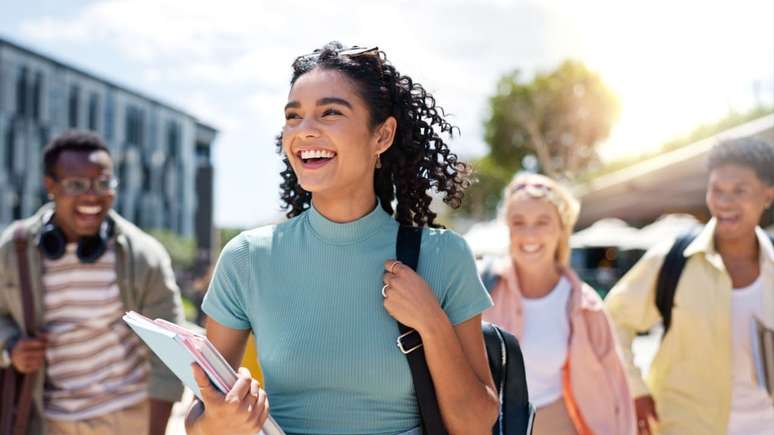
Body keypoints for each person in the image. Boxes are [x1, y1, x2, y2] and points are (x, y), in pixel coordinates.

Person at [185, 42, 499, 435]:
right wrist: (219, 422)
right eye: (293, 116)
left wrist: (432, 324)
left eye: (330, 112)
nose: (305, 130)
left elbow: (475, 425)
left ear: (382, 135)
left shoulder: (443, 255)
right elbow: (199, 421)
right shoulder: (247, 257)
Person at [0, 131, 185, 435]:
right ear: (50, 186)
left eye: (103, 183)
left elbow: (169, 354)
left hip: (127, 419)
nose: (92, 195)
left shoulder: (145, 255)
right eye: (76, 185)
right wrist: (11, 347)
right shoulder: (15, 248)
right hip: (46, 421)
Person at [605, 137, 774, 435]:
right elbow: (611, 319)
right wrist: (635, 388)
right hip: (684, 426)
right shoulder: (672, 260)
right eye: (716, 190)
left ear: (768, 195)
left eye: (739, 191)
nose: (724, 202)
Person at [481, 173, 636, 435]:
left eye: (542, 222)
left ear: (561, 228)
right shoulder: (481, 289)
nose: (530, 234)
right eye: (519, 222)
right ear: (508, 228)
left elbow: (617, 389)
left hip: (558, 425)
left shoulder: (585, 305)